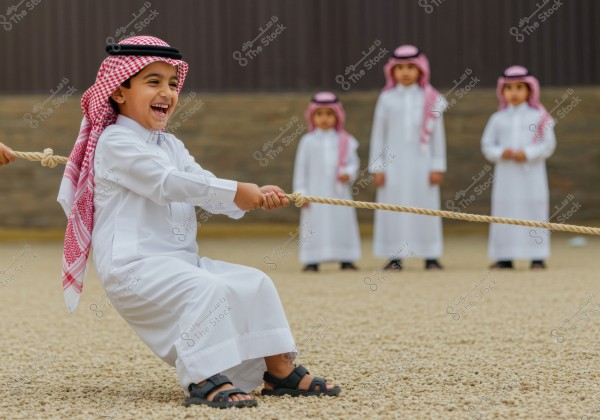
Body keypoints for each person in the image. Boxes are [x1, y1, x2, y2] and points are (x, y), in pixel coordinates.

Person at [56, 36, 340, 409]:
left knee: (254, 282)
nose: (167, 92)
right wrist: (239, 191)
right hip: (134, 267)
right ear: (119, 91)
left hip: (179, 262)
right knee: (207, 290)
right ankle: (202, 379)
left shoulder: (169, 145)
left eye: (172, 84)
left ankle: (280, 373)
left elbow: (200, 183)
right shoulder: (114, 143)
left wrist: (250, 198)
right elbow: (169, 183)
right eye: (153, 82)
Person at [369, 45, 447, 271]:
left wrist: (438, 165)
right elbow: (378, 134)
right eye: (400, 67)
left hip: (423, 164)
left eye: (410, 67)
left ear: (420, 69)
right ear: (391, 71)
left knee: (427, 207)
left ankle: (430, 255)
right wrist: (377, 167)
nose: (405, 72)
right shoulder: (386, 98)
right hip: (392, 166)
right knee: (393, 208)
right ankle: (395, 256)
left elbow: (437, 137)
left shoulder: (431, 98)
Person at [481, 65, 556, 269]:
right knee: (505, 211)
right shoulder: (497, 118)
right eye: (509, 88)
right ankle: (505, 257)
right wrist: (501, 153)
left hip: (532, 174)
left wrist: (528, 153)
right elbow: (487, 145)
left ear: (530, 90)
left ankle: (537, 257)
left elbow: (548, 145)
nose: (513, 93)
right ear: (502, 91)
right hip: (505, 175)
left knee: (534, 209)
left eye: (519, 87)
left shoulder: (540, 117)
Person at [293, 92, 361, 272]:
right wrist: (301, 192)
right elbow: (301, 169)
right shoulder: (307, 141)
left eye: (329, 114)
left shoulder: (345, 140)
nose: (324, 118)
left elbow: (353, 163)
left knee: (342, 222)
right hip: (314, 193)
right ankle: (312, 260)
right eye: (319, 114)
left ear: (337, 115)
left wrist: (348, 173)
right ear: (312, 116)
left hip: (339, 193)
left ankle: (346, 258)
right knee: (313, 225)